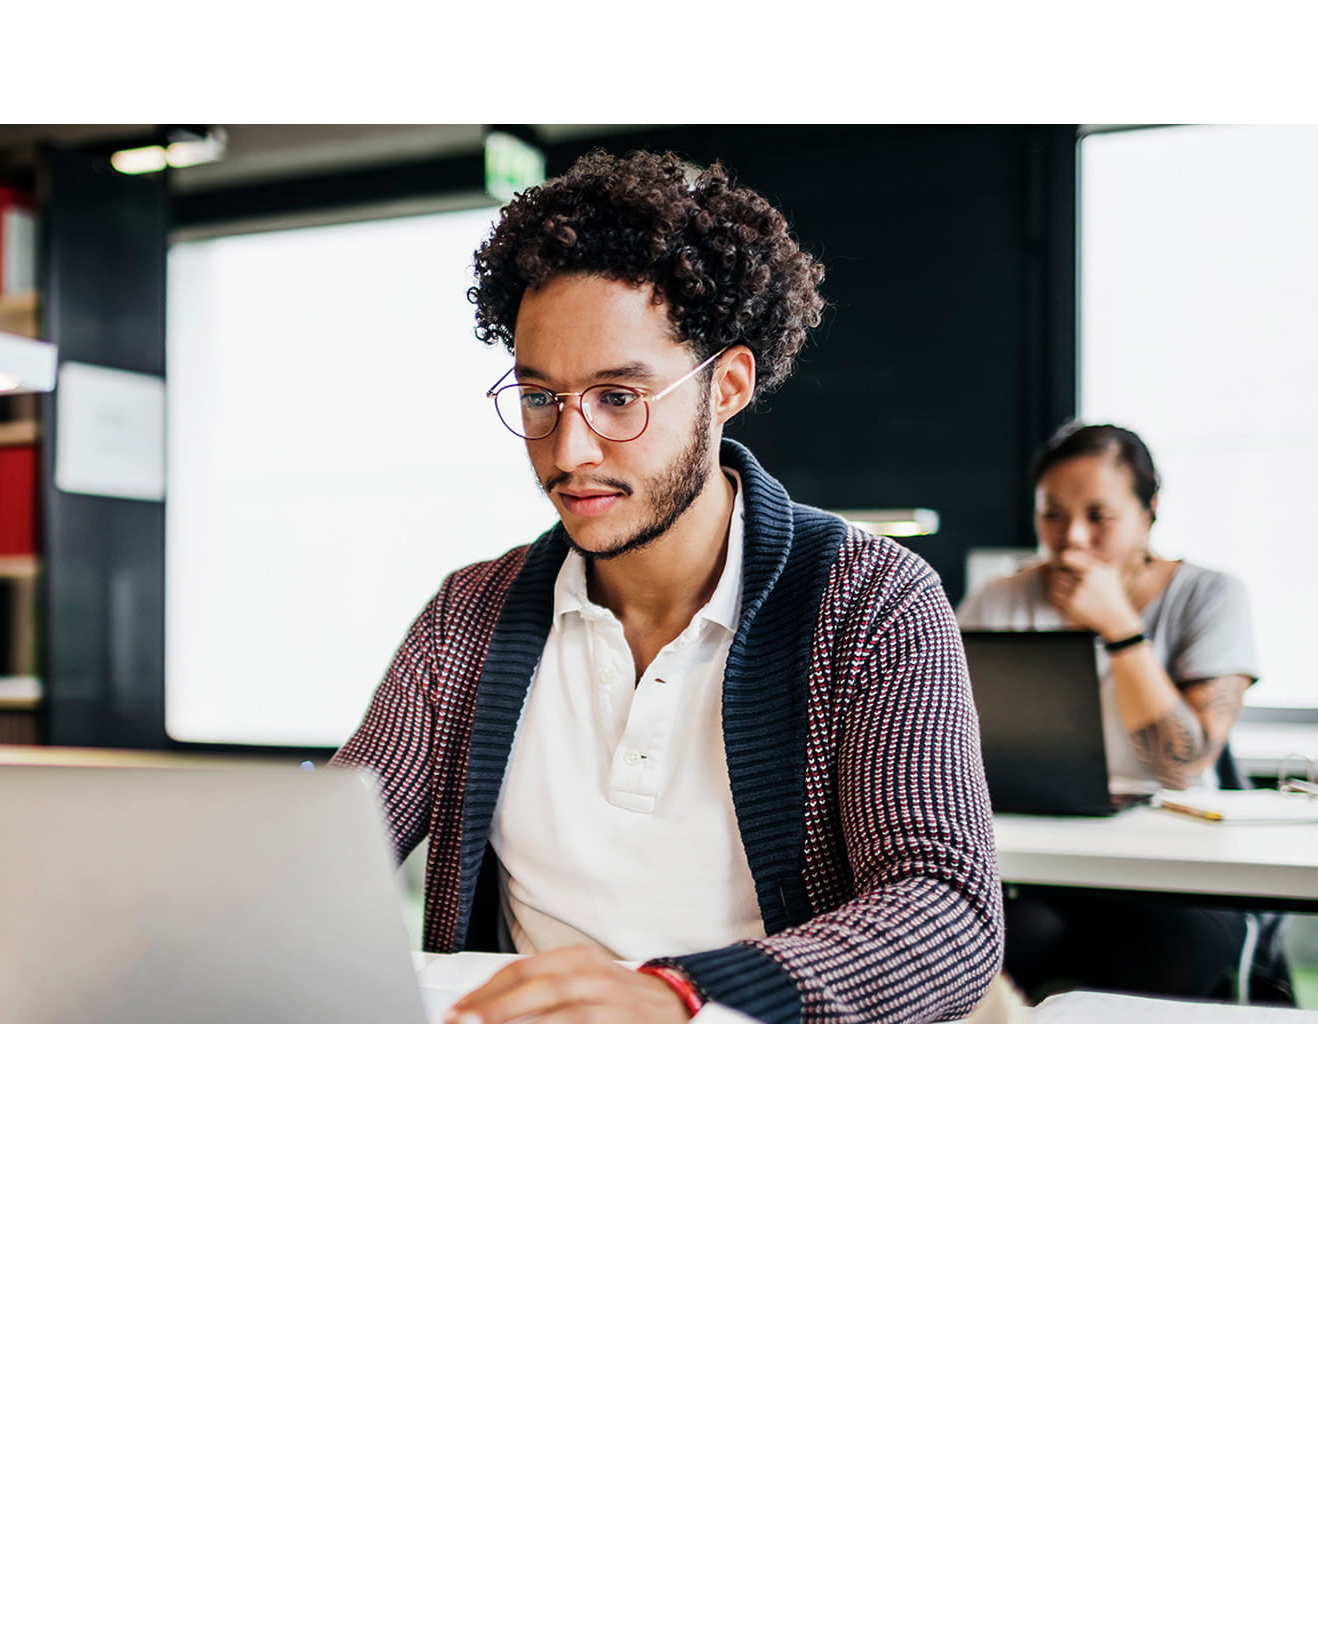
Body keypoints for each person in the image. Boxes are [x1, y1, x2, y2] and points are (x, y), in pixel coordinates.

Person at [334, 148, 1003, 1024]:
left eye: (618, 397)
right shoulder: (471, 613)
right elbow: (332, 855)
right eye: (540, 398)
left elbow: (947, 908)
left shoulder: (869, 601)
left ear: (726, 387)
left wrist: (679, 998)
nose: (568, 452)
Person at [957, 419, 1264, 1002]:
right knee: (983, 955)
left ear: (1149, 510)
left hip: (1181, 878)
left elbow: (1181, 763)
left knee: (1161, 957)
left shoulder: (1210, 596)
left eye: (1099, 516)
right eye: (1051, 513)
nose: (1071, 538)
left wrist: (1120, 629)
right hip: (1051, 866)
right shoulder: (999, 600)